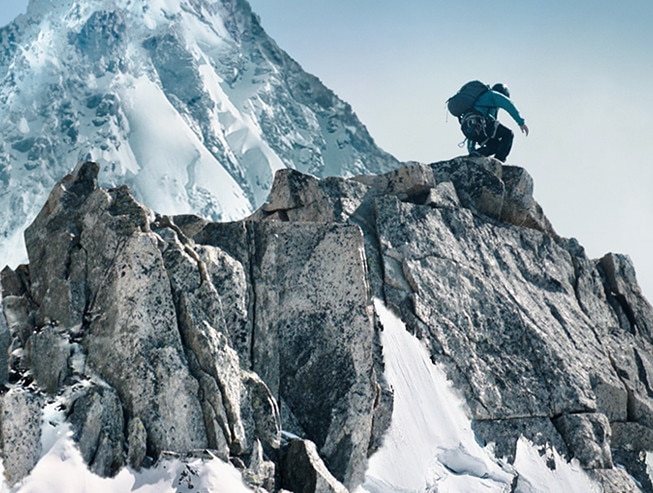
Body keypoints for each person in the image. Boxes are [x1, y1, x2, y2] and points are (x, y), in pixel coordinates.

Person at [466, 83, 529, 162]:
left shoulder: (480, 100)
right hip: (485, 125)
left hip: (471, 126)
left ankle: (478, 154)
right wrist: (521, 123)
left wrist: (471, 150)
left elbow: (472, 135)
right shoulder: (493, 95)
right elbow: (508, 105)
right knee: (508, 134)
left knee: (496, 145)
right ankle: (499, 161)